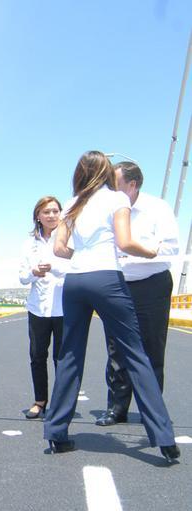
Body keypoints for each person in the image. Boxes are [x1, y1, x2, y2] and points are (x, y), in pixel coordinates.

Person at [45, 150, 179, 463]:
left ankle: (57, 432)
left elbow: (59, 249)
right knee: (135, 353)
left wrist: (82, 254)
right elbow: (125, 242)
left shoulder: (73, 202)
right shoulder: (116, 199)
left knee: (69, 355)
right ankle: (163, 437)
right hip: (107, 278)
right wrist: (151, 252)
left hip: (75, 281)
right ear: (105, 171)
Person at [96, 161, 179, 427]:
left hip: (152, 285)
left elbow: (171, 248)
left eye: (115, 184)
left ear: (132, 185)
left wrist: (132, 250)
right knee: (116, 350)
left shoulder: (158, 208)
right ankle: (116, 408)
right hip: (117, 285)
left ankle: (151, 411)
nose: (110, 189)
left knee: (152, 348)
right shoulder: (108, 209)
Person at [18, 196, 66, 419]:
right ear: (38, 216)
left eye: (55, 211)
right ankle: (40, 401)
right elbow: (22, 277)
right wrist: (34, 272)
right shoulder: (29, 244)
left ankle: (60, 403)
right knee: (37, 356)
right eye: (46, 212)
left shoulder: (69, 239)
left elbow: (76, 269)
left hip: (64, 307)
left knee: (62, 358)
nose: (51, 215)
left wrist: (53, 267)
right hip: (38, 308)